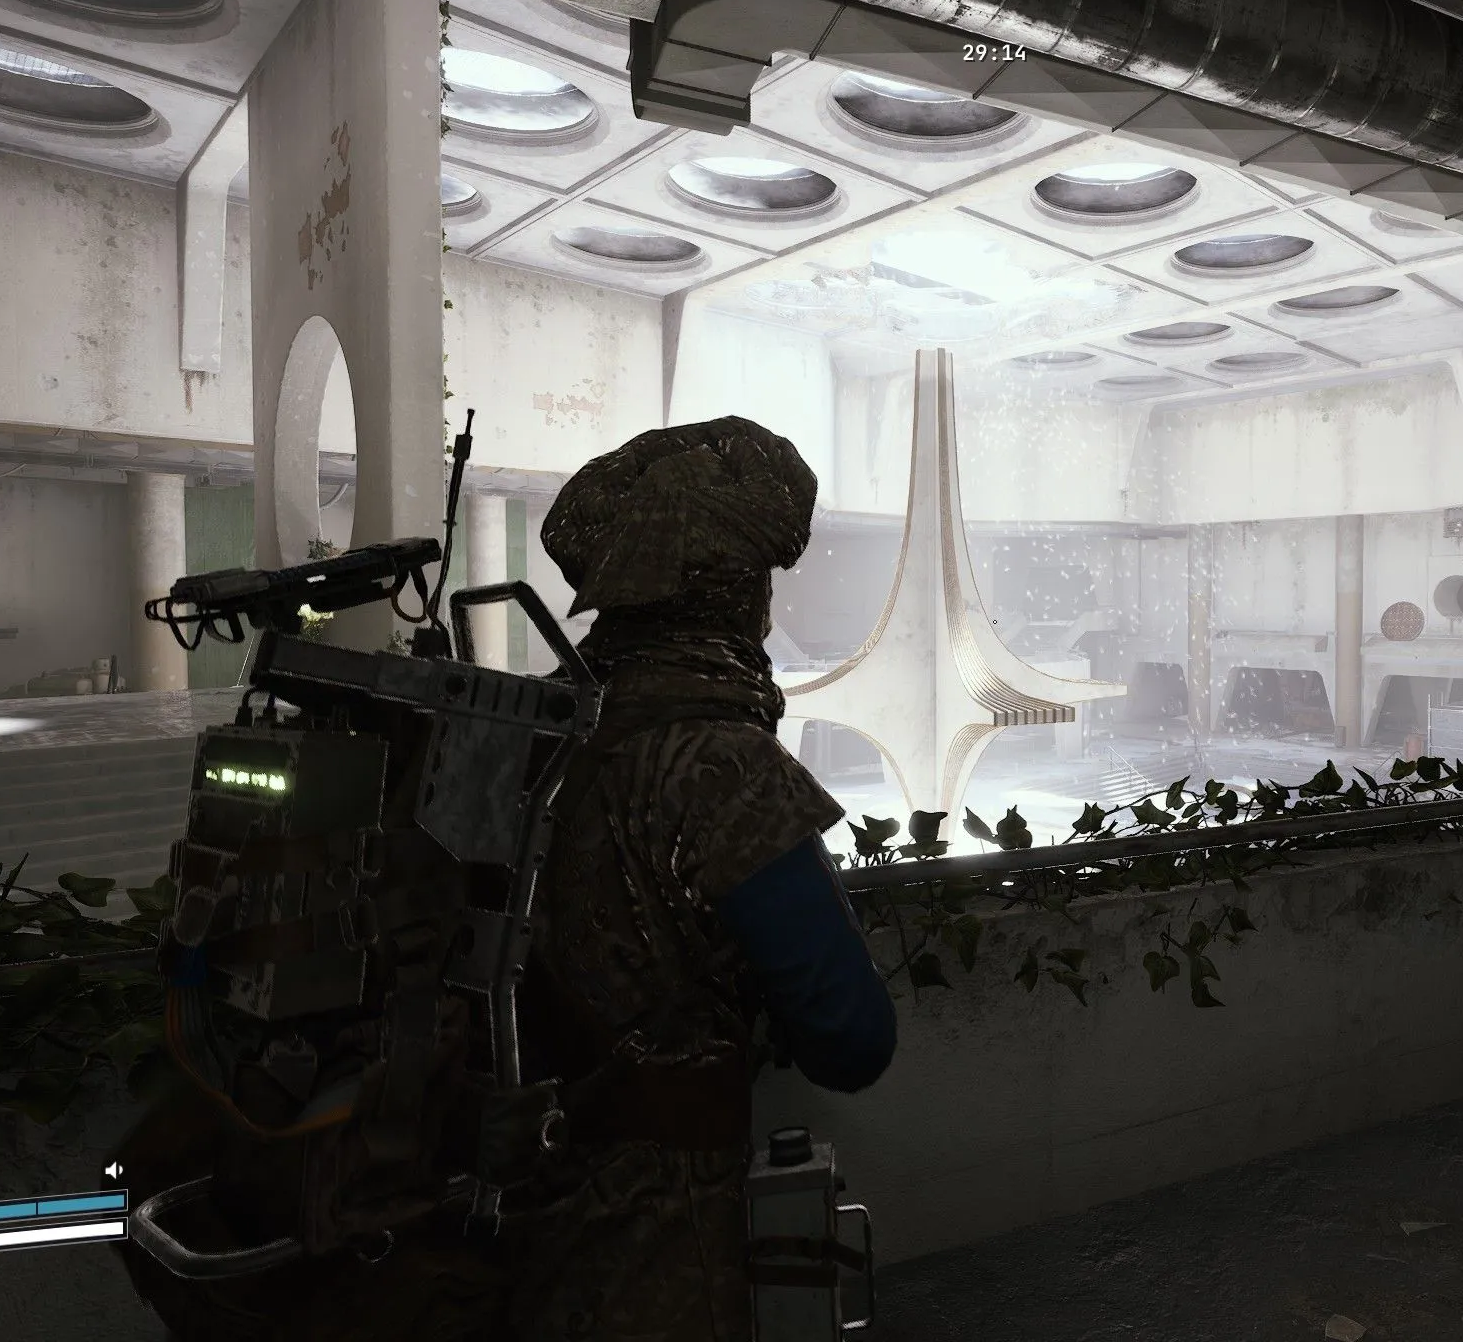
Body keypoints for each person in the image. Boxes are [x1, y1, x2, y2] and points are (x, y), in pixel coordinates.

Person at [115, 415, 895, 1341]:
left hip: (487, 1225)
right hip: (654, 1243)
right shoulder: (719, 768)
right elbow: (851, 1040)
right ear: (735, 594)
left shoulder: (510, 738)